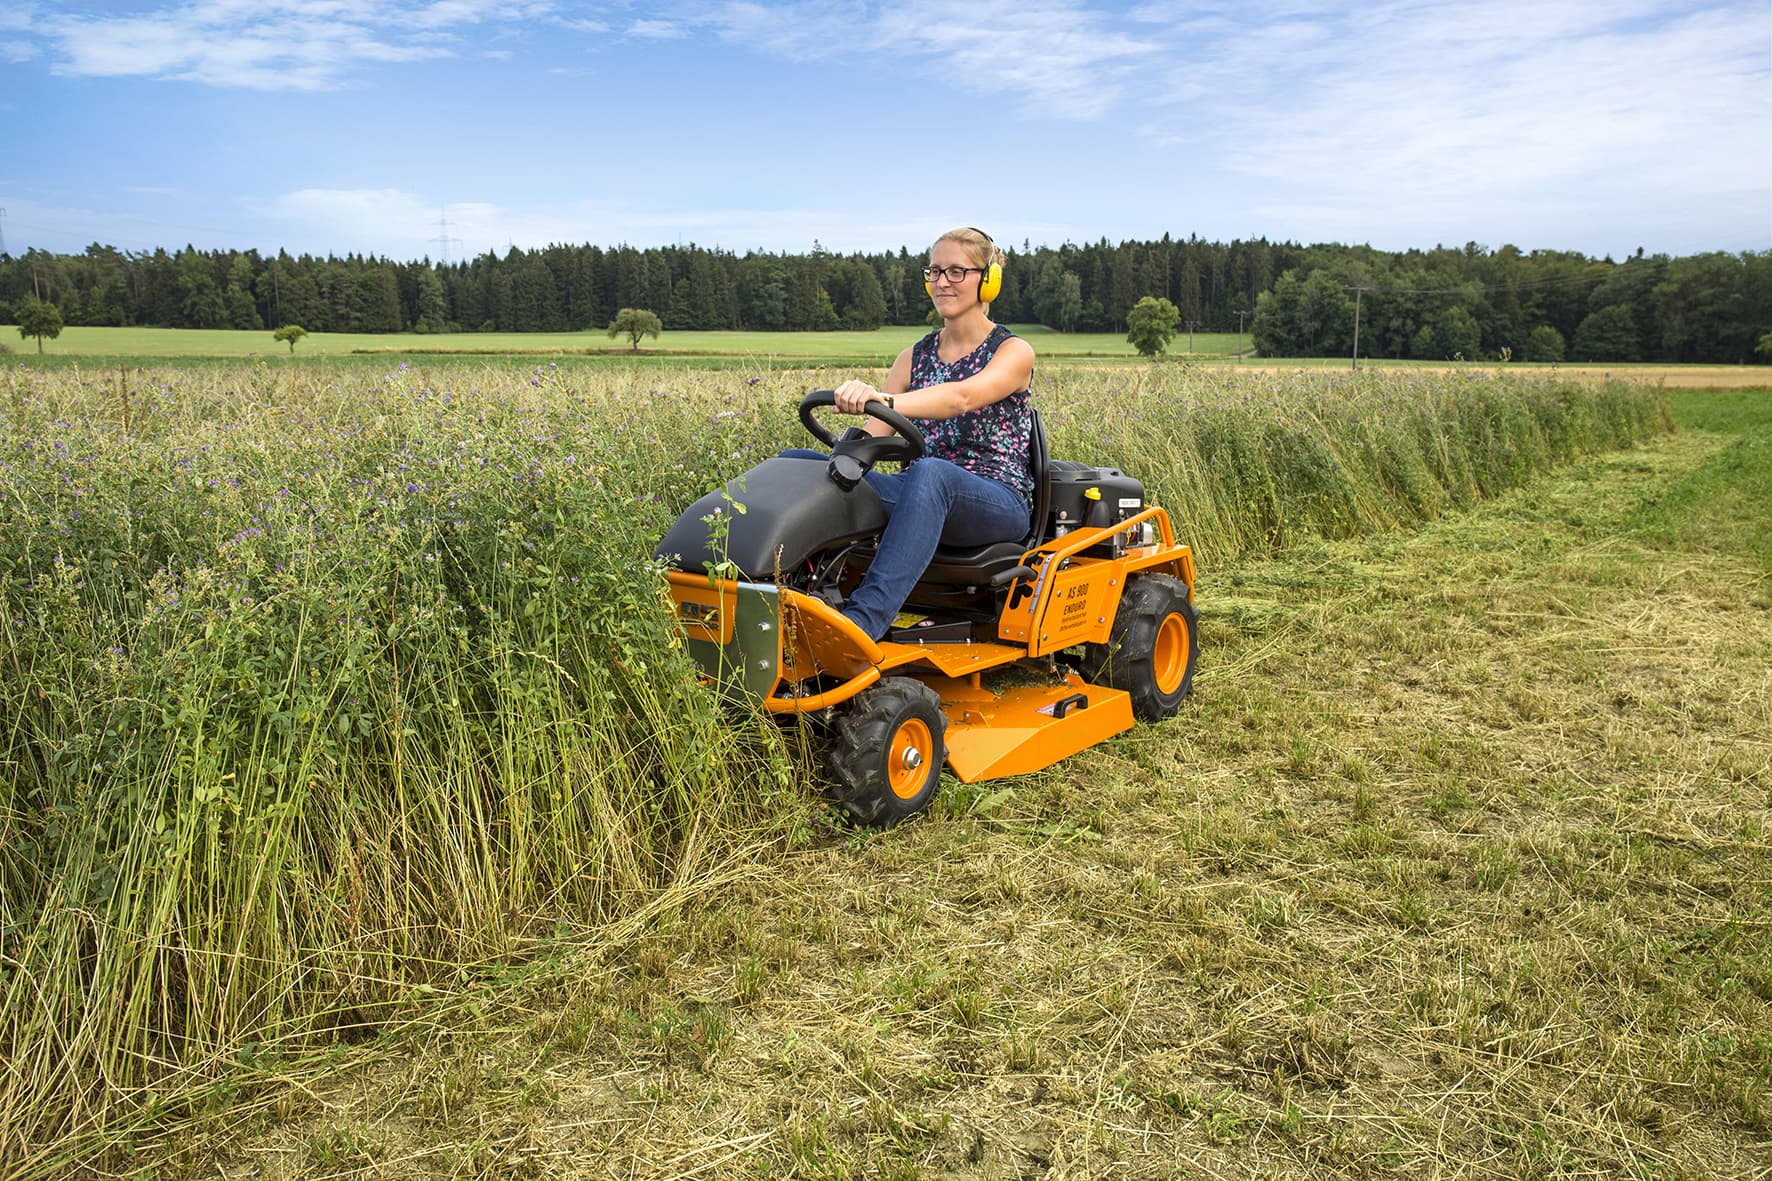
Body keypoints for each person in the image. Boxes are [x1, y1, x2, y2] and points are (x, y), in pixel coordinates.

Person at [824, 226, 1036, 640]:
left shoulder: (1012, 351)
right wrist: (846, 451)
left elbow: (962, 397)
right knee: (805, 467)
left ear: (988, 280)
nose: (942, 282)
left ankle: (861, 626)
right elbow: (875, 434)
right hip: (922, 491)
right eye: (935, 271)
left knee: (931, 472)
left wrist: (884, 399)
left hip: (997, 500)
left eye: (957, 271)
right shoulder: (912, 358)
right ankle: (779, 596)